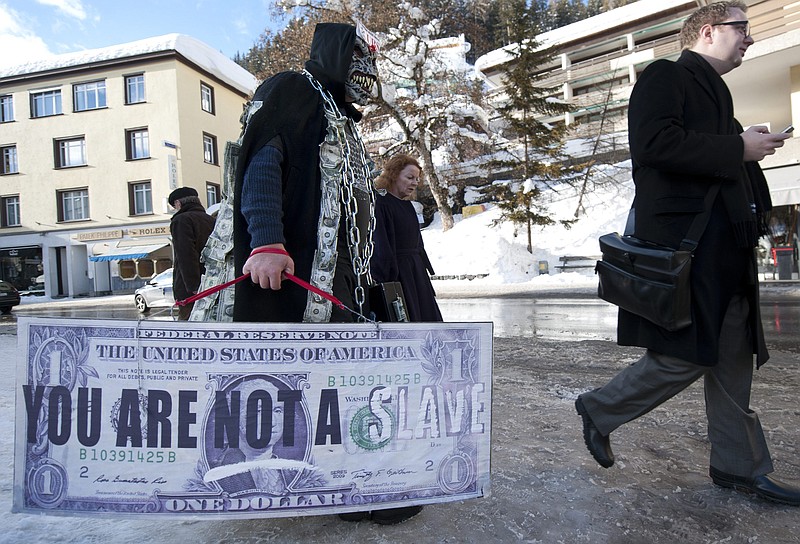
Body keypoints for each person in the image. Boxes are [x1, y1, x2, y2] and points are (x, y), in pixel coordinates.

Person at [575, 1, 800, 506]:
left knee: (731, 357)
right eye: (741, 28)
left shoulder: (716, 93)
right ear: (706, 31)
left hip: (726, 250)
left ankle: (739, 468)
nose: (749, 38)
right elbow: (654, 146)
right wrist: (735, 149)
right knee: (687, 354)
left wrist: (749, 149)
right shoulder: (665, 77)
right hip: (692, 251)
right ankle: (600, 408)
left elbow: (712, 157)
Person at [231, 22, 422, 524]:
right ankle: (325, 482)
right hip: (294, 270)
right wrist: (267, 239)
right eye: (359, 59)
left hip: (341, 277)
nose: (367, 72)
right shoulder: (292, 89)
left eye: (371, 62)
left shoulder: (343, 118)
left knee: (339, 381)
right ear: (335, 54)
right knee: (303, 379)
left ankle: (348, 481)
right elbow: (261, 161)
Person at [371, 153, 443, 321]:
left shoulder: (408, 206)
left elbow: (418, 243)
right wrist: (387, 279)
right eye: (410, 177)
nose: (415, 183)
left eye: (417, 179)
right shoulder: (381, 203)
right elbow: (381, 245)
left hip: (416, 272)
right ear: (394, 175)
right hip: (399, 273)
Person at [168, 187, 215, 320]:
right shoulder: (210, 220)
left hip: (191, 290)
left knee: (189, 328)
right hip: (212, 283)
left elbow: (185, 254)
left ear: (178, 203)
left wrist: (193, 286)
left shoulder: (181, 220)